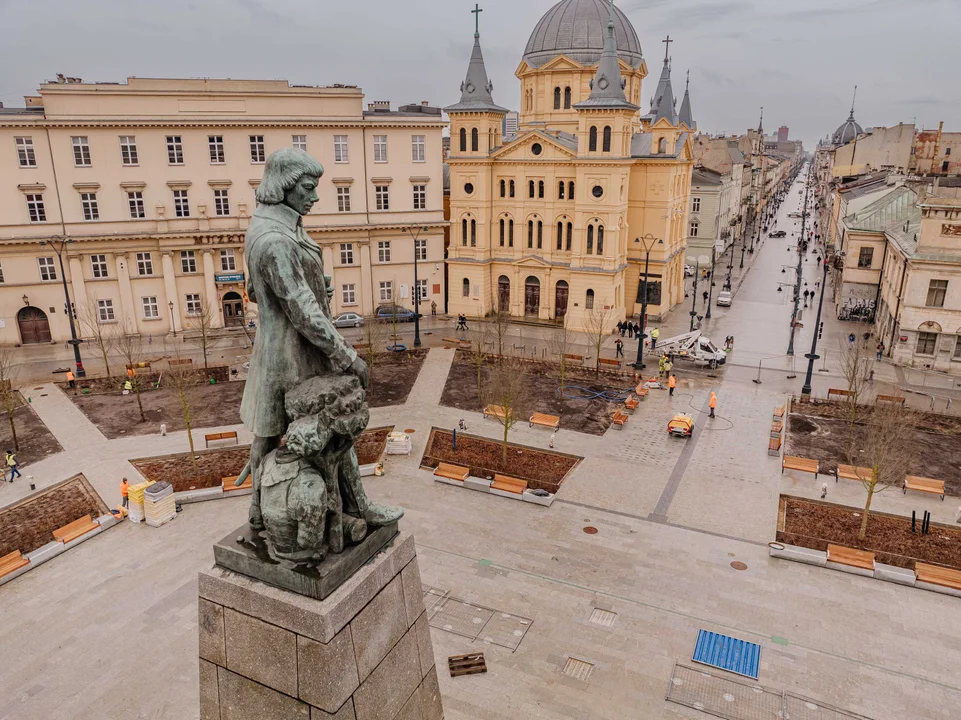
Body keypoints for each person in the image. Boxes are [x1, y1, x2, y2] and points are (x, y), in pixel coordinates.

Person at [239, 148, 400, 532]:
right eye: (308, 188)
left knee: (270, 435)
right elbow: (302, 311)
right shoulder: (275, 238)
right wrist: (347, 357)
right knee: (326, 428)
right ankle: (349, 510)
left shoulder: (274, 224)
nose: (315, 197)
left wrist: (312, 282)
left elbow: (254, 290)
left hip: (281, 351)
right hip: (293, 357)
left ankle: (261, 513)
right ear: (285, 187)